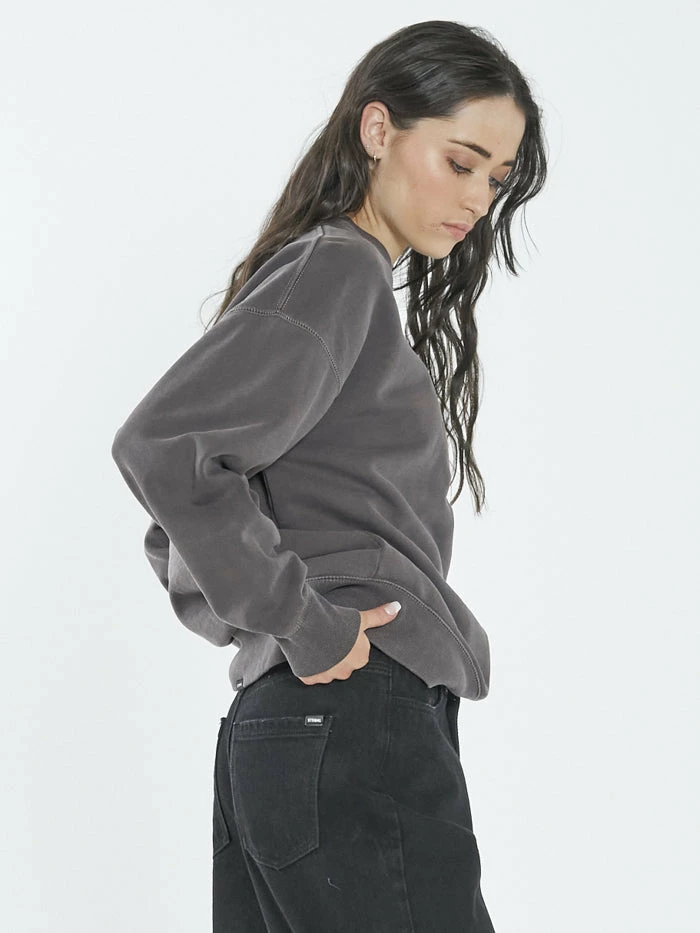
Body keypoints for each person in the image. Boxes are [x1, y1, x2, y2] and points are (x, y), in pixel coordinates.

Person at [111, 18, 548, 933]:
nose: (478, 198)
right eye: (461, 162)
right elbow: (166, 447)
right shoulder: (338, 271)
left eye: (497, 179)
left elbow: (178, 509)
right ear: (378, 129)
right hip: (353, 718)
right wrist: (304, 620)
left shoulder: (327, 279)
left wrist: (279, 624)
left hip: (289, 733)